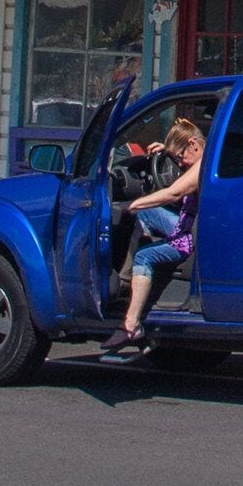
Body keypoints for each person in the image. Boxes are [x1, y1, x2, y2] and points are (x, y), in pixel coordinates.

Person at [103, 110, 207, 359]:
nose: (180, 163)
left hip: (188, 238)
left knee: (143, 256)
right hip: (185, 224)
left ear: (193, 144)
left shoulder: (202, 166)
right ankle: (130, 280)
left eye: (181, 157)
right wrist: (165, 154)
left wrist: (135, 203)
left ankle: (131, 323)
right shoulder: (209, 154)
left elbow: (172, 193)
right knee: (145, 216)